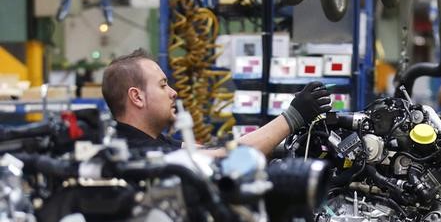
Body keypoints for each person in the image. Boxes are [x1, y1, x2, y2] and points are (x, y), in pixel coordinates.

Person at [101, 49, 330, 155]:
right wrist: (292, 117)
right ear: (137, 96)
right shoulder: (135, 153)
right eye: (162, 85)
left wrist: (284, 147)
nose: (173, 92)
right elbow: (226, 158)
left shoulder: (152, 140)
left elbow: (213, 149)